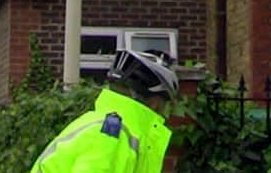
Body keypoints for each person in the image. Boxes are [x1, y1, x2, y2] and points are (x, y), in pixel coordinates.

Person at [30, 48, 177, 173]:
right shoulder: (111, 135)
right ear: (154, 103)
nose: (163, 112)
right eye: (165, 104)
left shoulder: (105, 124)